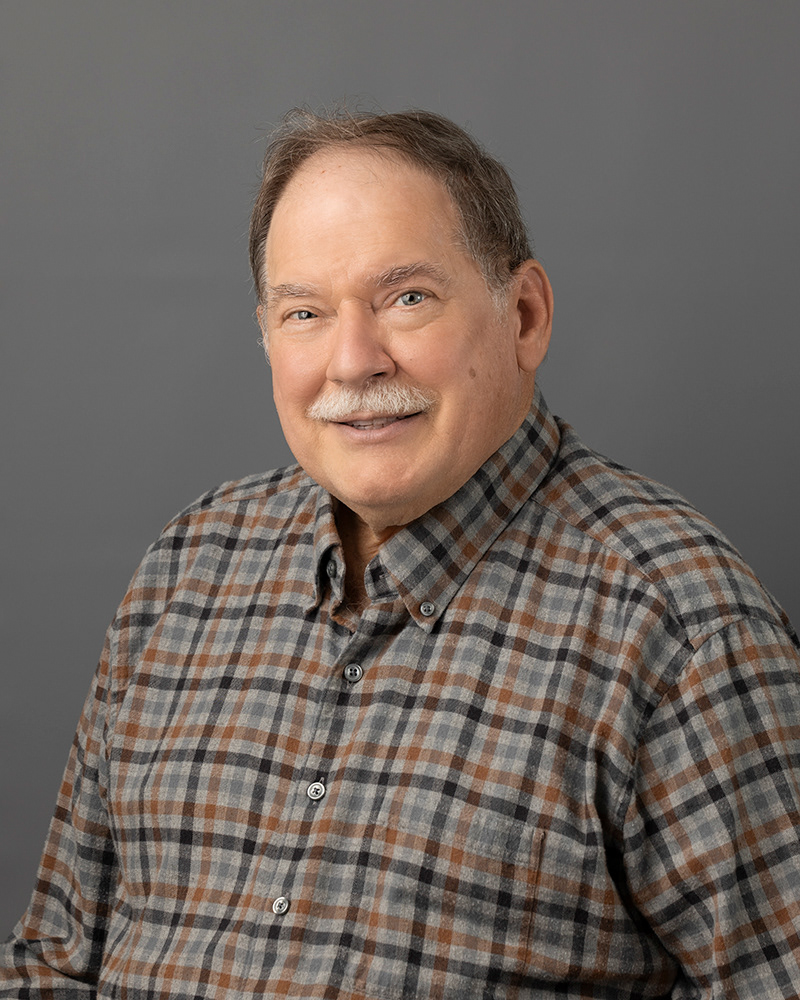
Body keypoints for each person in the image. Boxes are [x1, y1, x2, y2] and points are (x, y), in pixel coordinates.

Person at [2, 108, 799, 1000]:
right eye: (305, 313)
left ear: (525, 316)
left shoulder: (680, 631)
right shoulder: (187, 571)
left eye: (406, 298)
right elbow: (55, 963)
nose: (352, 361)